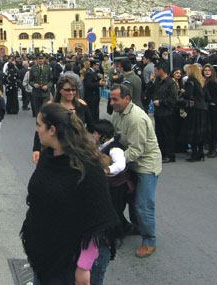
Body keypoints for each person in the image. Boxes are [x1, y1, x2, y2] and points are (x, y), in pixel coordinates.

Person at [21, 103, 119, 284]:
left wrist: (83, 267)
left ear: (52, 130)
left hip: (74, 259)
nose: (36, 130)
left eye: (39, 125)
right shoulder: (48, 157)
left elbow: (98, 222)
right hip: (47, 252)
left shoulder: (87, 167)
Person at [109, 84, 162, 258]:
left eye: (115, 99)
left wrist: (112, 162)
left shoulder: (136, 118)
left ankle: (149, 241)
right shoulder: (117, 113)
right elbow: (115, 138)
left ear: (127, 99)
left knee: (143, 204)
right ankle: (138, 227)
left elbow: (136, 150)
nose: (112, 102)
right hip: (130, 162)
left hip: (146, 164)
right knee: (131, 199)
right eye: (111, 98)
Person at [32, 76, 94, 165]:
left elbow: (92, 126)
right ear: (60, 90)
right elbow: (39, 128)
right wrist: (36, 149)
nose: (71, 93)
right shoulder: (50, 106)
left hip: (78, 151)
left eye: (73, 90)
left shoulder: (82, 105)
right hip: (56, 151)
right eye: (67, 90)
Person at [92, 119, 133, 248]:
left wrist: (108, 170)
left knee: (114, 211)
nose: (93, 135)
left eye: (96, 133)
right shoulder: (102, 146)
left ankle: (116, 237)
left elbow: (120, 165)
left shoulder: (114, 148)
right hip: (111, 185)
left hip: (118, 186)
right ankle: (126, 227)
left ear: (103, 135)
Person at [147, 61, 179, 163]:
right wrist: (151, 82)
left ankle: (170, 154)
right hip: (158, 112)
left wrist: (161, 102)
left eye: (156, 70)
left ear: (161, 70)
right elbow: (149, 92)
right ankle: (162, 153)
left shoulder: (170, 83)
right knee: (159, 134)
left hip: (167, 112)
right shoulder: (157, 81)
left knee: (167, 134)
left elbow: (173, 99)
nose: (154, 72)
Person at [180, 64, 210, 162]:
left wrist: (183, 91)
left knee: (193, 132)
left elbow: (188, 95)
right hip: (203, 108)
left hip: (194, 109)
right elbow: (207, 97)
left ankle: (194, 154)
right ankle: (200, 152)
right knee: (200, 132)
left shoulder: (190, 81)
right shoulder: (201, 81)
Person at [202, 64, 217, 158]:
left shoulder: (214, 82)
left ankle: (215, 148)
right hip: (206, 108)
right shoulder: (204, 81)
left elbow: (212, 96)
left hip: (213, 108)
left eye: (209, 70)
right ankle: (210, 147)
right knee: (208, 129)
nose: (207, 72)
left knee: (214, 128)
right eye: (205, 70)